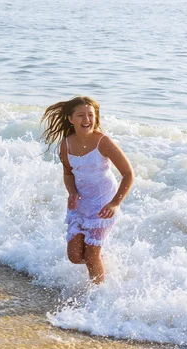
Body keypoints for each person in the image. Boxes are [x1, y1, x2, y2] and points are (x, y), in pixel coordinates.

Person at [41, 96, 134, 284]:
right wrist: (72, 192)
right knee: (75, 256)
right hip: (81, 203)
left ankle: (98, 295)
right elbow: (68, 173)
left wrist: (115, 203)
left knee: (91, 256)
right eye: (81, 115)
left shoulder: (103, 142)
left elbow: (128, 173)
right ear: (71, 119)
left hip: (104, 204)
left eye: (91, 115)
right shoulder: (66, 144)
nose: (87, 120)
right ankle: (101, 263)